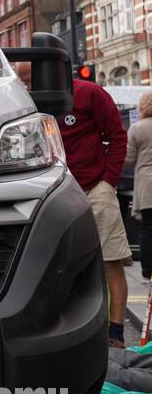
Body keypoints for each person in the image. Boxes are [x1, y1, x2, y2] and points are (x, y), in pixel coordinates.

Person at [58, 77, 130, 346]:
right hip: (57, 194)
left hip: (94, 189)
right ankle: (73, 335)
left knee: (111, 262)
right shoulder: (23, 97)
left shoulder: (88, 93)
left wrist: (107, 182)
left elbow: (117, 136)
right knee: (61, 267)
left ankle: (116, 335)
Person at [127, 91, 152, 279]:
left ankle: (147, 270)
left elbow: (129, 158)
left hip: (146, 183)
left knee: (147, 228)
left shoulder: (136, 128)